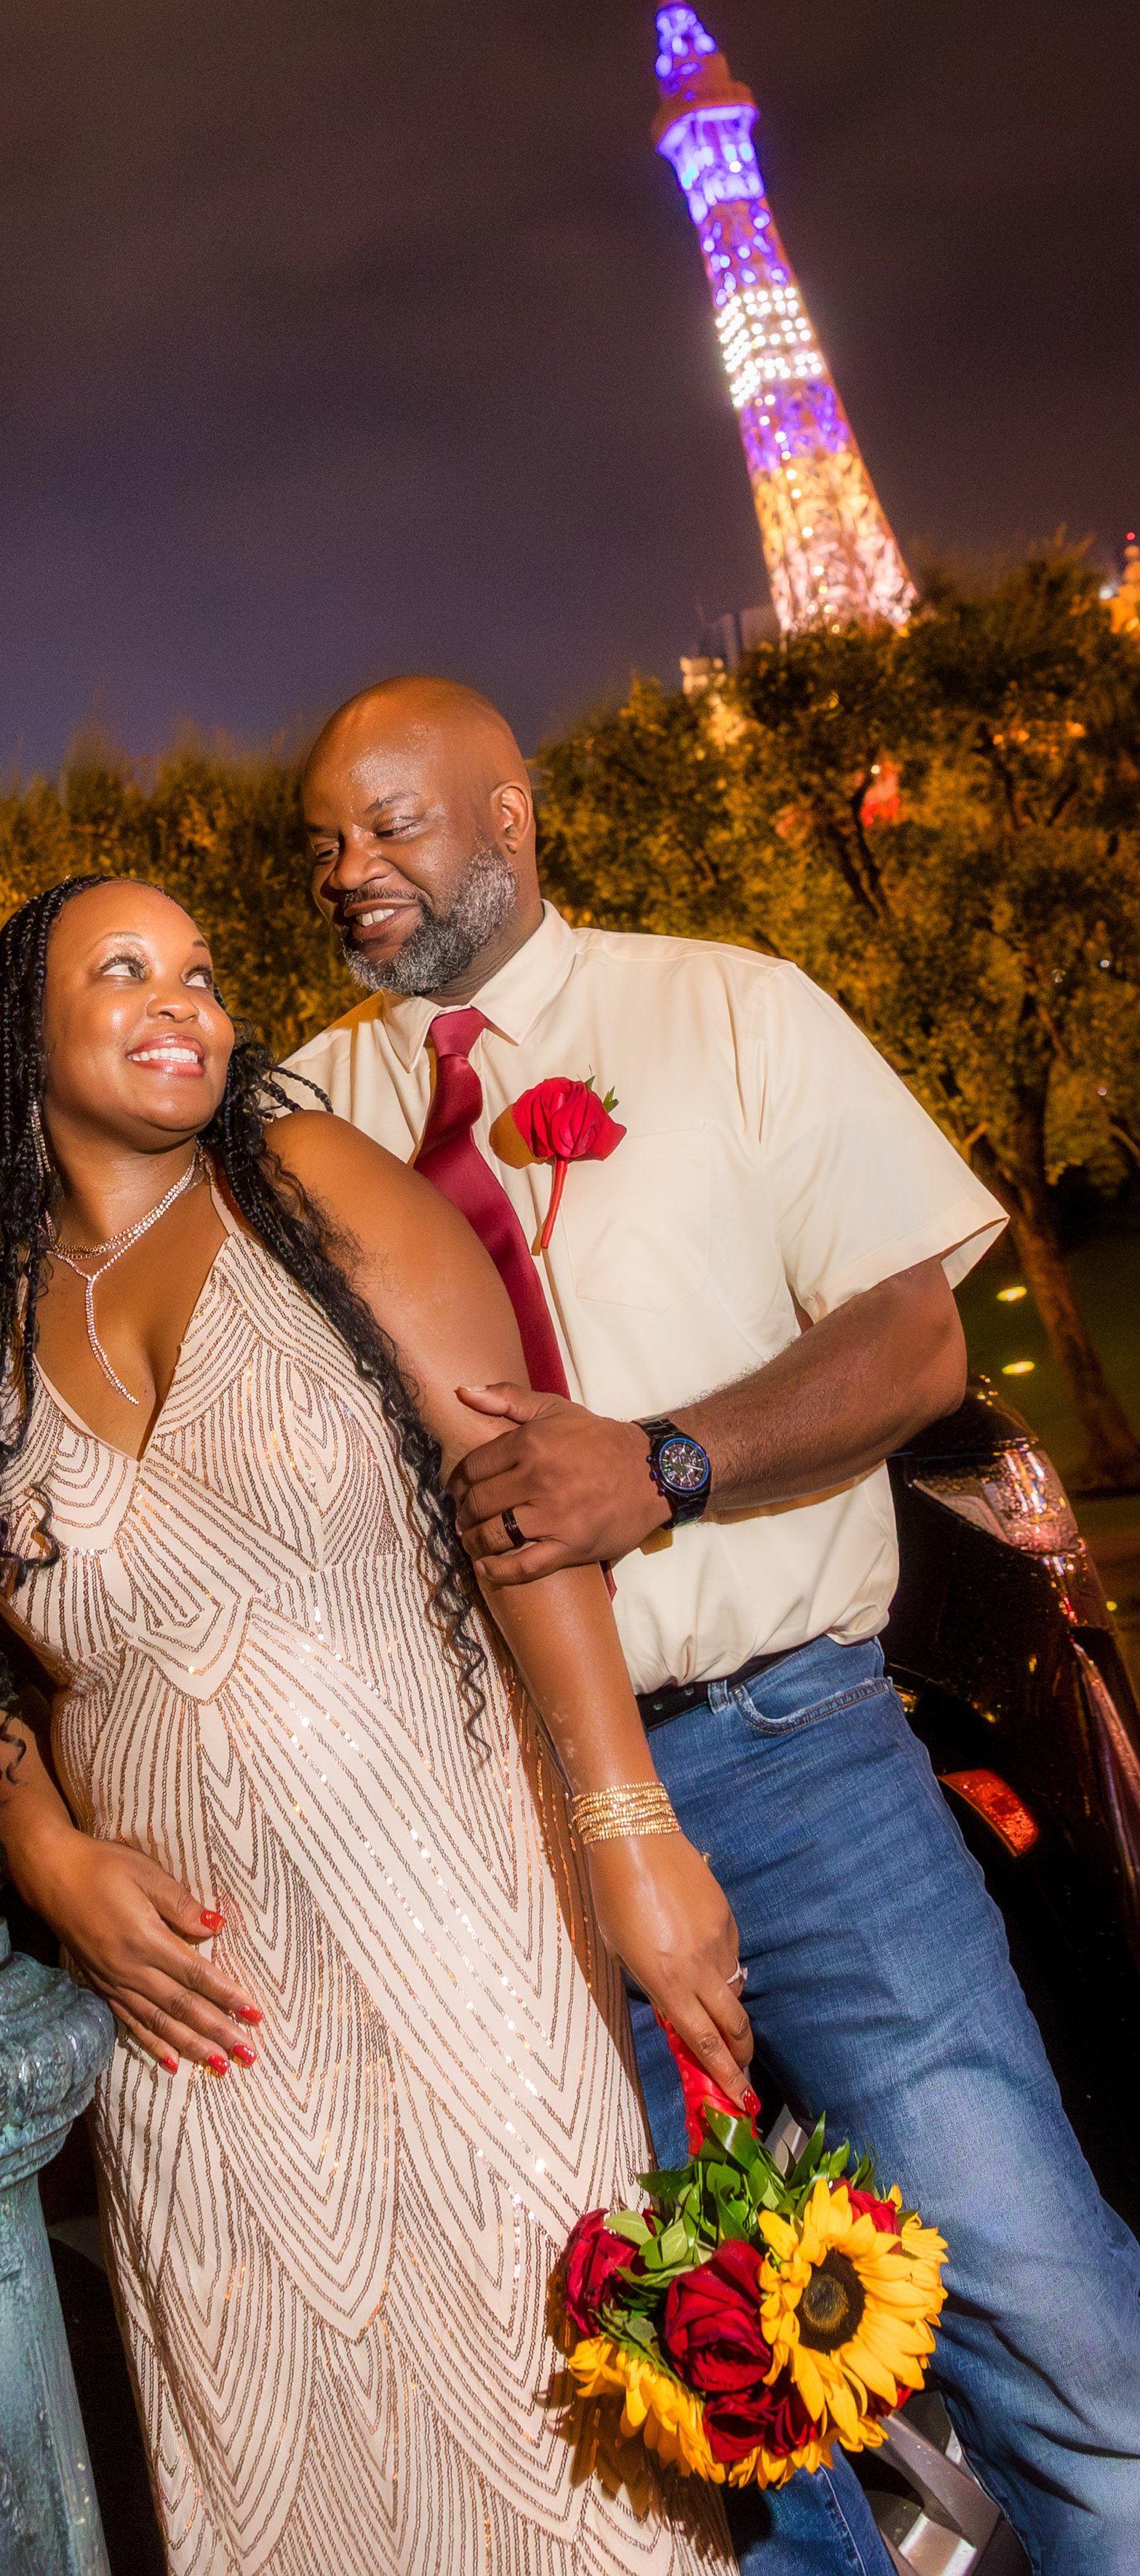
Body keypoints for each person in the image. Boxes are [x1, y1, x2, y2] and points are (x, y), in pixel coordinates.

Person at [290, 672, 1140, 2576]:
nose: (349, 867)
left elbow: (913, 1340)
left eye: (392, 823)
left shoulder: (729, 1008)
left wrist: (664, 1460)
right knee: (706, 2404)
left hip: (795, 1750)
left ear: (507, 816)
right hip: (499, 1836)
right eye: (325, 839)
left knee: (1044, 2301)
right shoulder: (302, 1115)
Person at [0, 872, 735, 2576]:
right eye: (120, 969)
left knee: (573, 2460)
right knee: (288, 2482)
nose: (178, 1001)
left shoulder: (314, 1185)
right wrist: (47, 1856)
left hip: (461, 1944)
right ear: (20, 1037)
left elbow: (524, 1511)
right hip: (199, 2031)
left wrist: (630, 1844)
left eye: (199, 973)